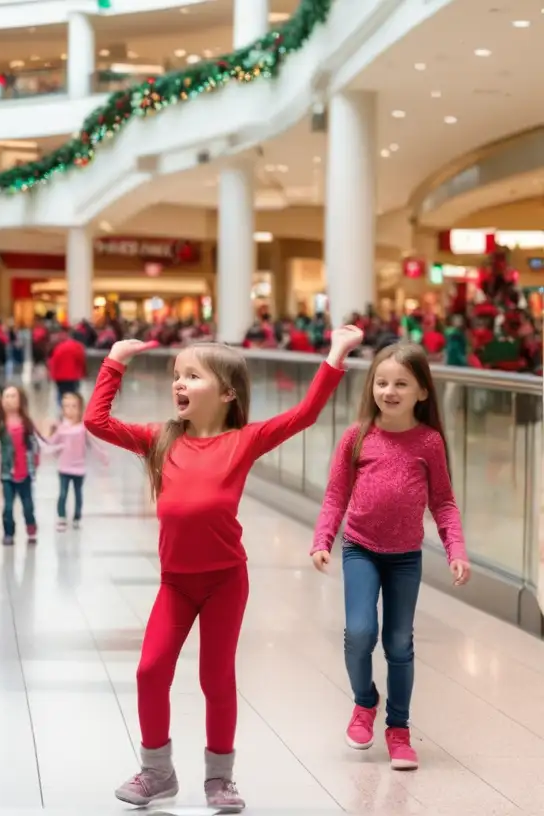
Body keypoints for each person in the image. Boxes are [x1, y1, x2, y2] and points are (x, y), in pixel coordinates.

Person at [85, 326, 363, 812]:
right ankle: (157, 771)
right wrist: (114, 362)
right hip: (176, 583)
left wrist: (336, 353)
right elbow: (96, 421)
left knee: (216, 680)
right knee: (151, 670)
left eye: (192, 376)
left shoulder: (244, 441)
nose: (179, 384)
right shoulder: (159, 439)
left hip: (224, 583)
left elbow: (306, 414)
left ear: (227, 393)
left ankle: (220, 778)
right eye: (177, 376)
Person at [311, 343, 470, 770]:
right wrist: (322, 539)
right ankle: (365, 702)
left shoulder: (429, 442)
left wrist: (455, 548)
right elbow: (335, 494)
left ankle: (398, 728)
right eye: (382, 382)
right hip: (360, 548)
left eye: (401, 383)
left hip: (405, 558)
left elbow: (444, 502)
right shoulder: (357, 436)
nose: (389, 391)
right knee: (360, 633)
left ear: (422, 391)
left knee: (399, 643)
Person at [0, 384, 41, 546]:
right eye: (6, 396)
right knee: (7, 506)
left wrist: (36, 459)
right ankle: (8, 533)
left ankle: (31, 526)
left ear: (21, 400)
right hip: (6, 472)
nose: (9, 400)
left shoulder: (26, 422)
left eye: (13, 396)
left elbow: (35, 442)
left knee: (27, 505)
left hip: (25, 471)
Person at [43, 390, 107, 531]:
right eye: (67, 406)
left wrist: (102, 456)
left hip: (79, 468)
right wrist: (48, 433)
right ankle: (61, 517)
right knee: (63, 493)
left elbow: (92, 444)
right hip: (64, 468)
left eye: (74, 406)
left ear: (80, 408)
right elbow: (50, 444)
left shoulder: (83, 428)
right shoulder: (60, 429)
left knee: (78, 494)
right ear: (62, 409)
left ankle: (77, 517)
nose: (70, 410)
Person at [46, 327, 87, 404]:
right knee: (73, 394)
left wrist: (51, 375)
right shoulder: (78, 346)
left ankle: (62, 409)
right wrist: (84, 373)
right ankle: (72, 409)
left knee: (61, 393)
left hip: (59, 377)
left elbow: (53, 361)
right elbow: (81, 361)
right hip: (73, 375)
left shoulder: (58, 347)